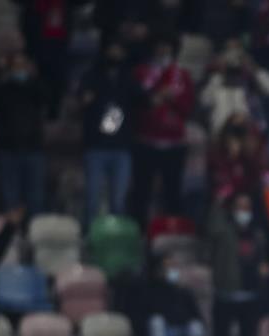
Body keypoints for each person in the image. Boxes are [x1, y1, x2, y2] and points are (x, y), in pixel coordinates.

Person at [131, 34, 195, 223]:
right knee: (141, 192)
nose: (163, 51)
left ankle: (171, 232)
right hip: (145, 141)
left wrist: (171, 97)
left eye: (167, 48)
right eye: (160, 47)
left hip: (174, 144)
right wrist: (155, 96)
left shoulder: (182, 75)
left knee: (172, 193)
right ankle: (140, 232)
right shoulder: (141, 72)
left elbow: (188, 107)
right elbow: (134, 102)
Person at [79, 39, 141, 226]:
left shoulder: (129, 78)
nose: (115, 54)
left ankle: (116, 240)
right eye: (111, 50)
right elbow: (81, 100)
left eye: (118, 50)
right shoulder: (91, 76)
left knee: (118, 202)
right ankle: (90, 239)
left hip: (121, 147)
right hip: (96, 146)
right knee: (92, 200)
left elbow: (143, 100)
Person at [208, 191, 269, 336]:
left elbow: (263, 257)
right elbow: (213, 227)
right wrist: (218, 204)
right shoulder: (224, 230)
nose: (243, 211)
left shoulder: (258, 233)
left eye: (247, 207)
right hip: (226, 294)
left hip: (250, 295)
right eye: (239, 207)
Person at [0, 51, 47, 216]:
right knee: (11, 199)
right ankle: (14, 237)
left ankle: (33, 235)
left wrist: (34, 75)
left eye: (22, 65)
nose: (20, 69)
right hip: (8, 150)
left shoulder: (34, 88)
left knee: (35, 198)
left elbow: (48, 99)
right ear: (10, 69)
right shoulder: (3, 89)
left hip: (33, 149)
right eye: (16, 66)